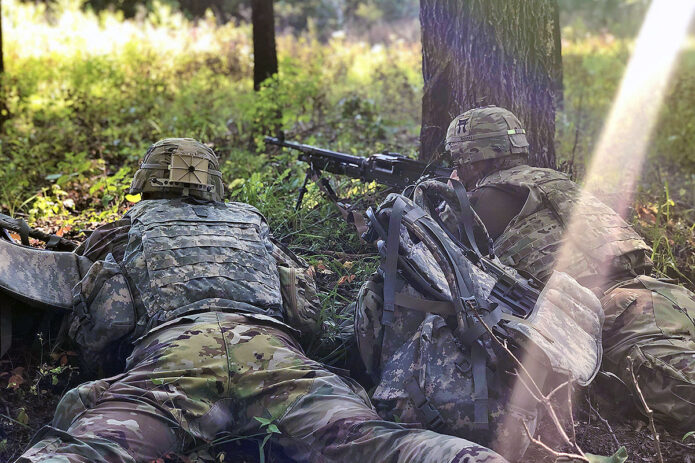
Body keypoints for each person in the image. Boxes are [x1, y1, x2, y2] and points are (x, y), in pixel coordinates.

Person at [14, 138, 507, 463]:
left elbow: (109, 315)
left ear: (147, 183)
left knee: (95, 446)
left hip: (175, 356)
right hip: (272, 353)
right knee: (364, 438)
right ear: (214, 183)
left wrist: (96, 357)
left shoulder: (124, 230)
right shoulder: (253, 225)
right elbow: (302, 311)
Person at [443, 105, 695, 430]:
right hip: (666, 295)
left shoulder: (488, 198)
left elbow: (430, 246)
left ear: (470, 158)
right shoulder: (553, 181)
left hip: (619, 316)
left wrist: (453, 197)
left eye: (457, 160)